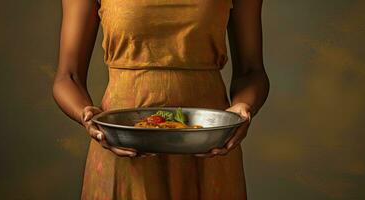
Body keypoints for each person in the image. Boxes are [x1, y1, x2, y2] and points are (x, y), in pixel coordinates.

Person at [52, 0, 269, 199]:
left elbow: (251, 71)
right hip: (121, 150)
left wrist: (243, 107)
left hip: (210, 151)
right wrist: (87, 115)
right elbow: (68, 77)